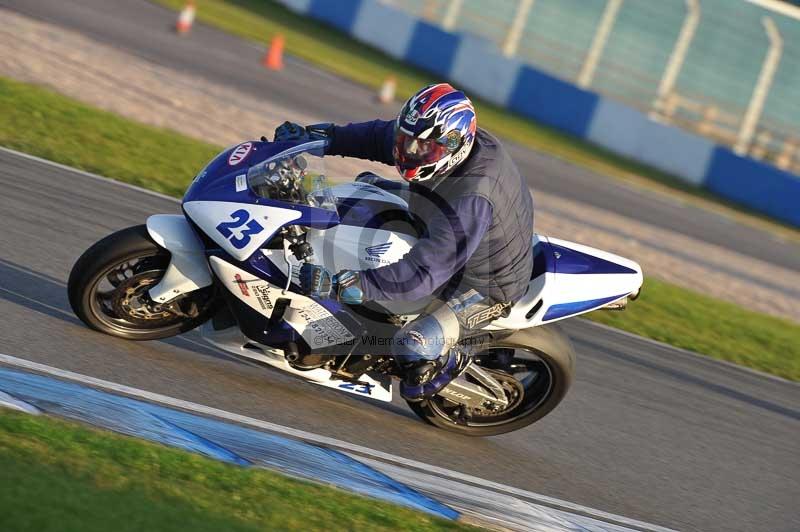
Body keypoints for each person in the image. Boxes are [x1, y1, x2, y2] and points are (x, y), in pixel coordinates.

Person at [274, 83, 534, 401]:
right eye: (407, 140)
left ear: (455, 145)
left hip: (483, 285)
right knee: (360, 192)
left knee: (413, 348)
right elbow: (378, 137)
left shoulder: (472, 195)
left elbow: (422, 274)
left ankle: (447, 363)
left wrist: (350, 286)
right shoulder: (431, 141)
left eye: (423, 149)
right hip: (435, 217)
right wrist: (321, 137)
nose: (411, 152)